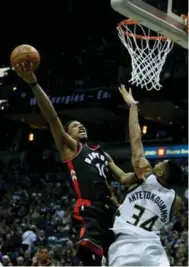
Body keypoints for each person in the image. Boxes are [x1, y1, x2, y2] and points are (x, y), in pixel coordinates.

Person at [14, 62, 146, 266]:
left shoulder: (102, 154)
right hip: (90, 209)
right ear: (68, 133)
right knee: (89, 255)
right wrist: (34, 84)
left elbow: (124, 178)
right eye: (75, 126)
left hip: (111, 209)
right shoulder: (70, 148)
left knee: (120, 258)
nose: (81, 126)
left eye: (81, 124)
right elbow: (51, 117)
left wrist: (140, 174)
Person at [108, 85, 183, 267]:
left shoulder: (145, 175)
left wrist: (133, 106)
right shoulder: (177, 202)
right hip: (153, 251)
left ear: (160, 172)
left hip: (125, 248)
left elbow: (136, 139)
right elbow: (146, 213)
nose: (156, 163)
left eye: (160, 163)